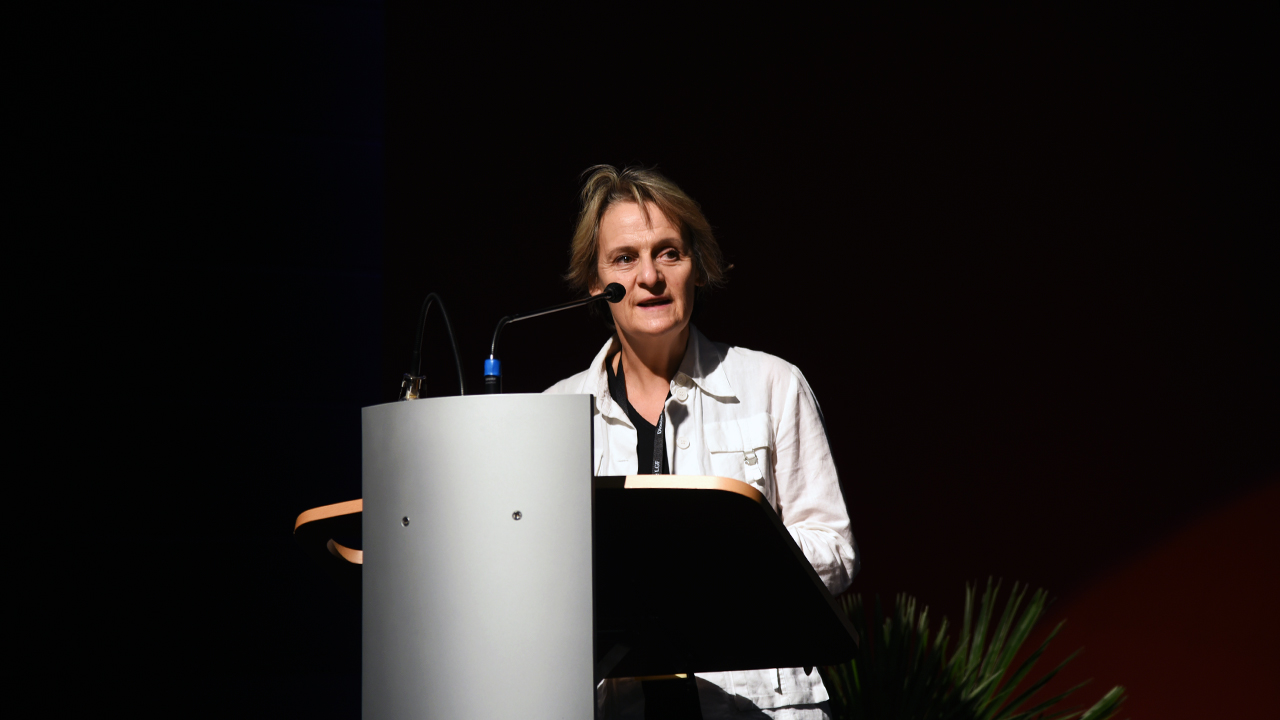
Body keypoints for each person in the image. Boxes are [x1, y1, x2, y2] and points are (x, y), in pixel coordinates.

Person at [546, 166, 858, 720]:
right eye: (625, 258)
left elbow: (834, 549)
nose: (649, 277)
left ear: (697, 268)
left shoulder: (771, 384)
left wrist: (728, 563)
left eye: (669, 253)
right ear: (596, 281)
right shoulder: (553, 415)